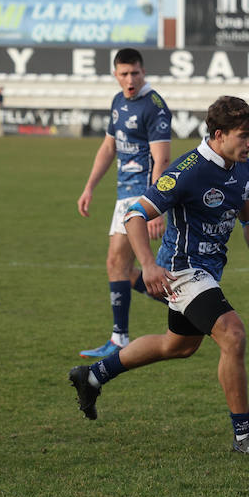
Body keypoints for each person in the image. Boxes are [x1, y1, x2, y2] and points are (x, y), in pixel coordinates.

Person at [67, 96, 249, 456]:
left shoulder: (243, 168)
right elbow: (135, 215)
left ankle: (91, 376)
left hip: (209, 272)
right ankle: (245, 434)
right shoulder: (188, 170)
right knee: (233, 334)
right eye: (245, 136)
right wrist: (149, 265)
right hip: (182, 271)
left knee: (178, 345)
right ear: (219, 134)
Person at [75, 47, 172, 359]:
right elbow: (108, 147)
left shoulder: (154, 106)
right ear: (115, 75)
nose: (130, 79)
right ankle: (187, 305)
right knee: (122, 269)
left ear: (143, 73)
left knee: (118, 264)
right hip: (123, 196)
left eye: (135, 73)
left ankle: (120, 338)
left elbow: (162, 158)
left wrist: (155, 207)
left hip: (142, 198)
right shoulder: (118, 102)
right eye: (124, 74)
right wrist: (90, 186)